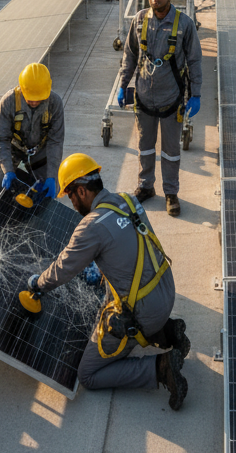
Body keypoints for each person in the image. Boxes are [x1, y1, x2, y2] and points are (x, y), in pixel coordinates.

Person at [24, 154, 189, 405]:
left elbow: (62, 269)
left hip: (147, 310)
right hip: (166, 290)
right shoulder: (128, 200)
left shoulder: (91, 226)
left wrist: (38, 284)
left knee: (88, 374)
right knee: (111, 293)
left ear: (81, 191)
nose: (71, 203)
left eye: (70, 195)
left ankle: (160, 367)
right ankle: (167, 333)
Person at [118, 0, 202, 215]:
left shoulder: (184, 25)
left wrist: (195, 94)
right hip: (144, 98)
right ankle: (145, 187)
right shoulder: (140, 20)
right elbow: (130, 55)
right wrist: (123, 85)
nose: (155, 0)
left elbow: (195, 60)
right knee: (144, 146)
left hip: (171, 99)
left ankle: (171, 192)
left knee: (171, 151)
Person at [0, 62, 64, 199]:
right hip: (13, 148)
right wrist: (7, 170)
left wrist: (52, 175)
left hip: (39, 150)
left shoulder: (55, 103)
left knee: (52, 188)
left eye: (38, 98)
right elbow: (0, 138)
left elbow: (55, 141)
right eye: (30, 98)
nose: (34, 102)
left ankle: (36, 206)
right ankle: (11, 209)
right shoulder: (8, 102)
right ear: (22, 89)